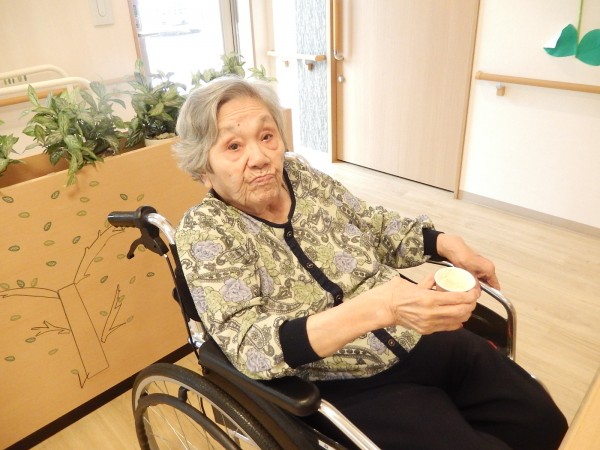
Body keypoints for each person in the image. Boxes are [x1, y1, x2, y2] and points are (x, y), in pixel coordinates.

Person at [173, 77, 567, 450]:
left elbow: (371, 225)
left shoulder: (302, 177)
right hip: (346, 381)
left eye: (266, 136)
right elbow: (249, 345)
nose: (260, 158)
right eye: (233, 146)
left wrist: (443, 242)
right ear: (203, 167)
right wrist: (378, 308)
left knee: (543, 422)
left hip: (417, 333)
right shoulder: (206, 232)